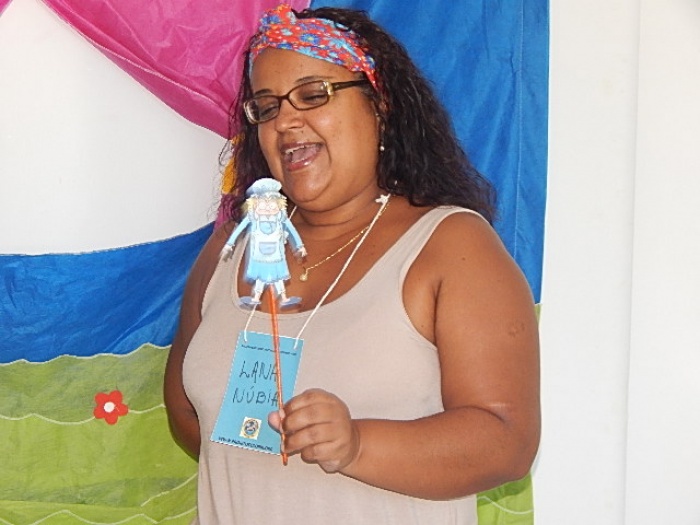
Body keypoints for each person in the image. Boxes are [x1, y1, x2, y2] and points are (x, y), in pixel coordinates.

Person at [164, 4, 540, 524]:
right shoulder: (231, 249)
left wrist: (357, 444)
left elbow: (506, 440)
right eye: (266, 107)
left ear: (379, 105)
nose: (285, 121)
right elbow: (190, 415)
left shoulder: (451, 246)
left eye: (313, 94)